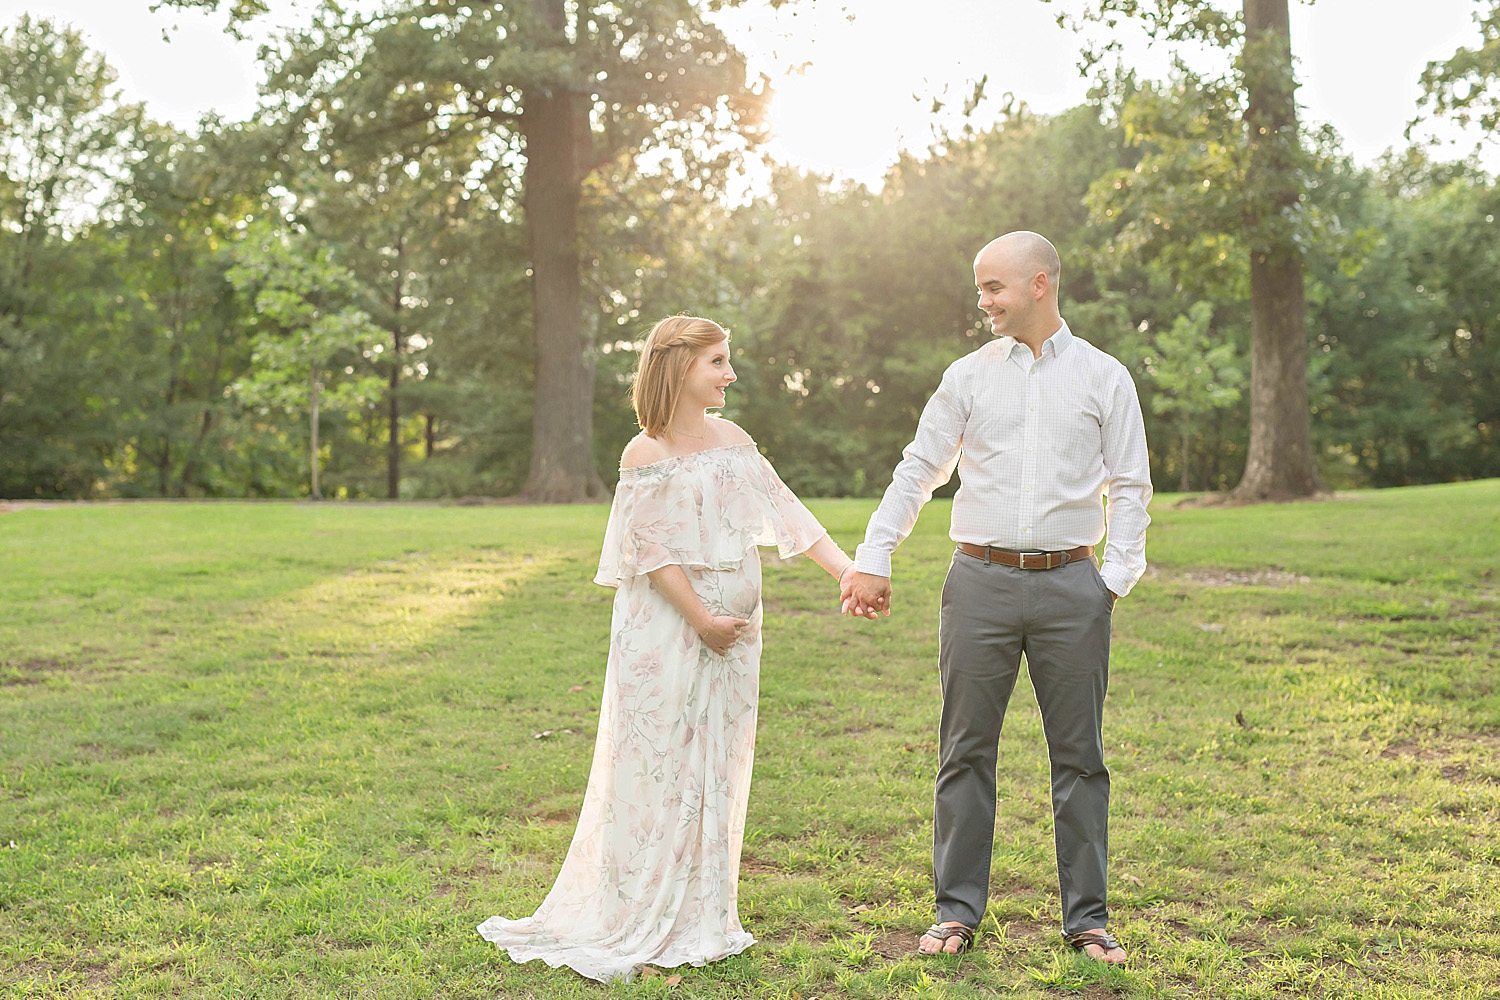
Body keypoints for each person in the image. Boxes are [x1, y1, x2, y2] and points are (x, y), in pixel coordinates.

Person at [478, 315, 858, 983]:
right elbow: (651, 554)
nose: (729, 374)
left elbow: (790, 513)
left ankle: (702, 909)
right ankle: (638, 909)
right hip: (668, 630)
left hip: (734, 638)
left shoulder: (735, 442)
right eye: (717, 361)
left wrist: (849, 573)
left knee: (715, 761)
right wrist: (703, 619)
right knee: (658, 763)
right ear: (679, 368)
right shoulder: (644, 454)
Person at [841, 232, 1152, 965]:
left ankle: (1088, 920)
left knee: (1080, 758)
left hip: (1073, 586)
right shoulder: (967, 377)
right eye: (980, 288)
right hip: (977, 583)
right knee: (965, 751)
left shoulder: (1105, 377)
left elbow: (1131, 484)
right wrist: (875, 553)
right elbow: (919, 470)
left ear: (1039, 283)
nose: (982, 301)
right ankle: (955, 913)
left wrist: (1113, 581)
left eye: (993, 288)